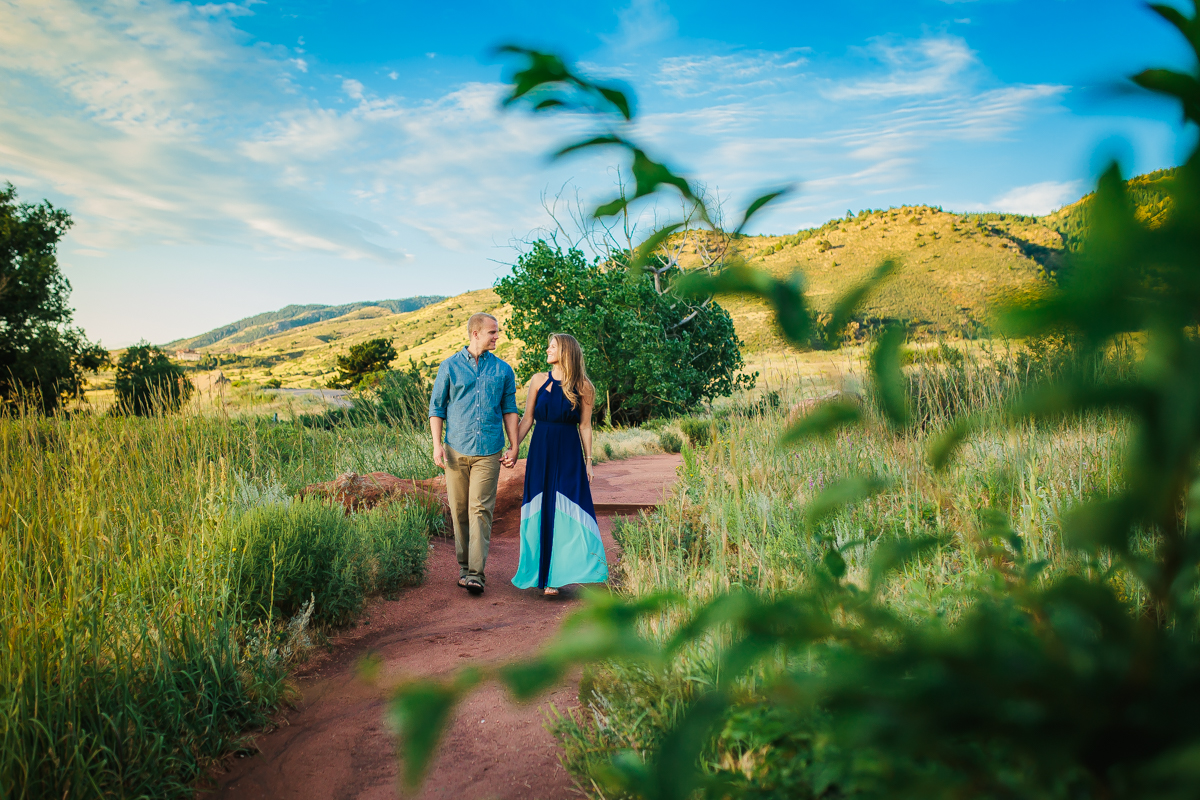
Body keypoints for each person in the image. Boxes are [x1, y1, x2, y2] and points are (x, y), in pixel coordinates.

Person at [429, 312, 520, 595]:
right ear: (476, 334)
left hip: (489, 451)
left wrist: (514, 445)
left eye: (497, 332)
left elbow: (509, 410)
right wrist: (437, 445)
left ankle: (476, 575)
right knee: (459, 511)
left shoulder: (503, 370)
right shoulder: (449, 367)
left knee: (480, 509)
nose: (497, 336)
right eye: (493, 332)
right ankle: (463, 568)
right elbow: (437, 409)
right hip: (456, 449)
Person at [511, 333, 608, 596]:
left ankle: (558, 575)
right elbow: (527, 419)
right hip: (541, 450)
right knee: (541, 506)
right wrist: (514, 447)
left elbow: (586, 426)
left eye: (552, 346)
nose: (547, 350)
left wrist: (589, 461)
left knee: (568, 505)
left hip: (569, 452)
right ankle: (541, 574)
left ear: (565, 351)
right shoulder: (538, 380)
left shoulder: (584, 386)